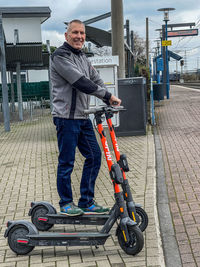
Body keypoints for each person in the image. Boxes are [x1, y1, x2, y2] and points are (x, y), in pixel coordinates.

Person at [50, 19, 121, 216]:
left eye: (82, 33)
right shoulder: (60, 56)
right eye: (75, 33)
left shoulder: (82, 57)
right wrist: (107, 96)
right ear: (66, 35)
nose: (79, 37)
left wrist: (110, 98)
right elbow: (81, 82)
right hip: (66, 118)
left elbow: (95, 78)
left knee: (94, 156)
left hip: (82, 117)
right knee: (67, 162)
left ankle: (86, 201)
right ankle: (65, 203)